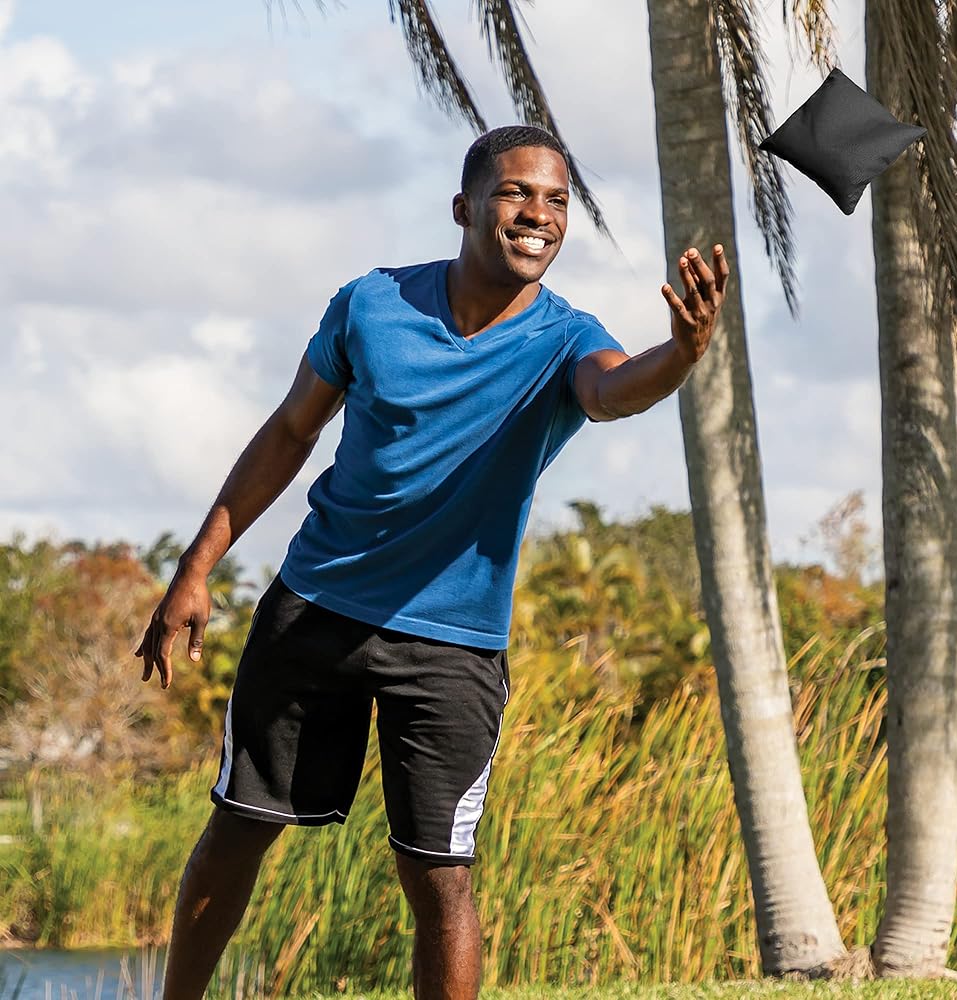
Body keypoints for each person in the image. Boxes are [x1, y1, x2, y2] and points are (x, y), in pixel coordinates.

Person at [135, 124, 728, 1000]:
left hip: (452, 647)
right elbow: (292, 430)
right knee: (239, 827)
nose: (539, 214)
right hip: (315, 611)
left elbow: (611, 391)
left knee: (441, 877)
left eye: (557, 200)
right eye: (516, 192)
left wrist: (680, 353)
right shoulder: (372, 305)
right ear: (464, 207)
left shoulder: (566, 338)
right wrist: (197, 566)